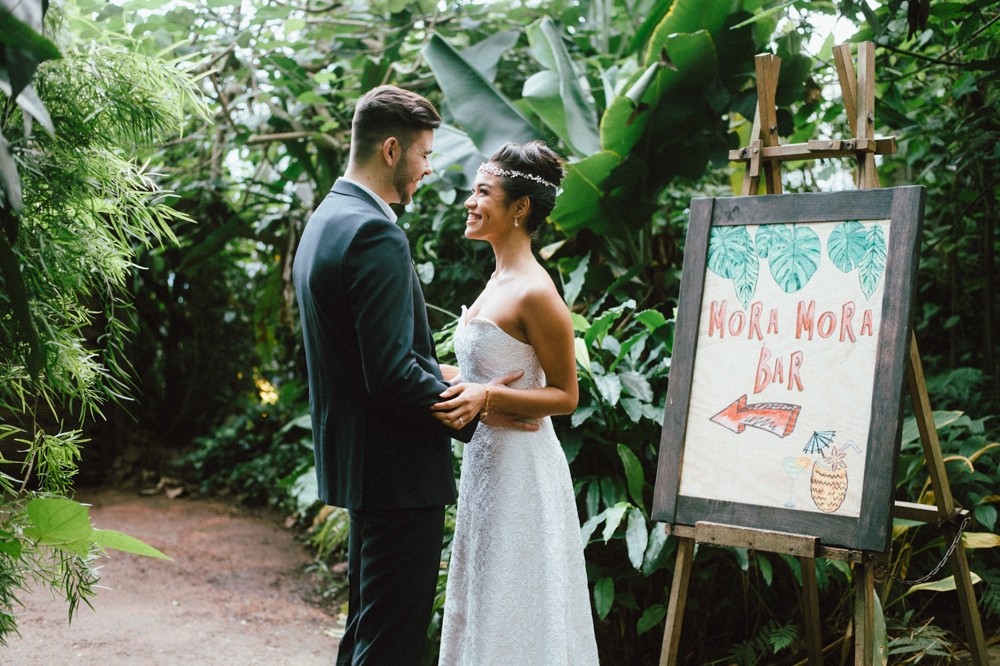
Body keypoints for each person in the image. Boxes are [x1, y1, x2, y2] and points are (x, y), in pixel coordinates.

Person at [292, 85, 530, 666]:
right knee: (392, 642)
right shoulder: (377, 232)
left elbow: (364, 352)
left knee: (368, 631)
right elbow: (392, 374)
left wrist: (440, 367)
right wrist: (478, 400)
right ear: (393, 150)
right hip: (397, 470)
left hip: (363, 463)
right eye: (425, 155)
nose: (428, 169)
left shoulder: (327, 219)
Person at [431, 141, 600, 665]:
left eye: (483, 192)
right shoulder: (496, 280)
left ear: (520, 208)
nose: (470, 202)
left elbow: (565, 395)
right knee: (485, 594)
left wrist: (488, 396)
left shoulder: (535, 291)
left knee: (519, 597)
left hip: (524, 470)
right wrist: (443, 377)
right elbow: (486, 374)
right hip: (487, 463)